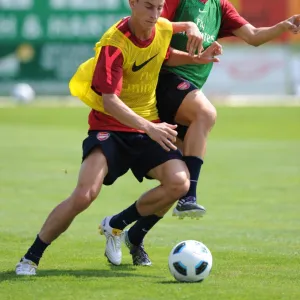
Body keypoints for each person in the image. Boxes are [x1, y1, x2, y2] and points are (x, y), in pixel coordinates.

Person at [15, 0, 222, 275]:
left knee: (179, 184)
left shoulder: (159, 26)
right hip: (110, 128)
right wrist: (150, 127)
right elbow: (110, 101)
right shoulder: (114, 43)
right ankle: (31, 257)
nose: (156, 14)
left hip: (147, 127)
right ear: (132, 3)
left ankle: (116, 225)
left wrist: (198, 57)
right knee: (85, 194)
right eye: (149, 7)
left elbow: (165, 52)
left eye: (160, 7)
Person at [108, 0, 300, 266]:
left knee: (178, 181)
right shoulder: (177, 2)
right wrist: (186, 27)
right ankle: (190, 197)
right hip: (165, 80)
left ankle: (127, 230)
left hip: (186, 93)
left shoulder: (220, 7)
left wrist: (282, 26)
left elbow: (254, 37)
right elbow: (153, 26)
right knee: (206, 114)